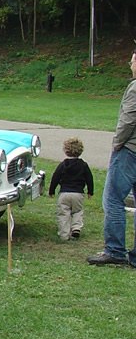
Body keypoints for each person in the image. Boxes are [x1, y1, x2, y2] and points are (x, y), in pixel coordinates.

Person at [88, 51, 136, 266]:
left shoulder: (135, 87)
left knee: (113, 199)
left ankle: (115, 250)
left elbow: (128, 120)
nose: (130, 64)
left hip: (129, 151)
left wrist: (117, 143)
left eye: (132, 60)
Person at [49, 137, 94, 242]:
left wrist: (52, 190)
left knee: (64, 213)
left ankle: (64, 235)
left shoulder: (63, 165)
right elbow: (89, 178)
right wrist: (90, 191)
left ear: (66, 150)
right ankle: (76, 228)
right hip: (78, 193)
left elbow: (55, 177)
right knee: (77, 211)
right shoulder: (83, 165)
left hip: (64, 193)